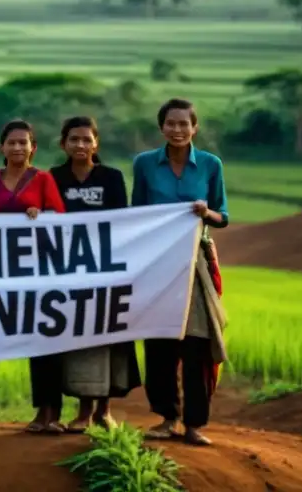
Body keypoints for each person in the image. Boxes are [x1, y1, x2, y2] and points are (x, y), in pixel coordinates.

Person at [132, 98, 228, 448]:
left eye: (183, 124)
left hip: (196, 263)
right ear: (162, 128)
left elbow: (224, 215)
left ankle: (194, 424)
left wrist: (207, 212)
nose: (177, 129)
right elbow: (136, 213)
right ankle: (167, 417)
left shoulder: (209, 164)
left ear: (195, 128)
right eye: (170, 123)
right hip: (156, 263)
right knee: (159, 344)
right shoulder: (144, 164)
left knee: (197, 344)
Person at [49, 116, 141, 433]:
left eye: (87, 139)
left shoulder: (112, 177)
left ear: (96, 143)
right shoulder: (54, 177)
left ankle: (105, 410)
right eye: (74, 139)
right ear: (63, 143)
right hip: (68, 273)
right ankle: (83, 411)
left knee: (109, 337)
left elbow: (120, 221)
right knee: (78, 340)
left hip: (106, 270)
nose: (80, 145)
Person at [0, 119, 66, 435]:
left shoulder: (43, 180)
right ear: (1, 147)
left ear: (33, 147)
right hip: (0, 271)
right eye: (11, 142)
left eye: (23, 142)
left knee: (45, 338)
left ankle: (49, 412)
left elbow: (60, 219)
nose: (17, 148)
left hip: (38, 271)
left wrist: (40, 216)